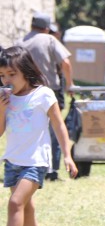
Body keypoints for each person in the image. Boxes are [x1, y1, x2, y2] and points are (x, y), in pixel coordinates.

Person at [0, 46, 78, 226]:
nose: (6, 80)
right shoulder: (5, 98)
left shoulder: (43, 94)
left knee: (16, 203)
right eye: (2, 75)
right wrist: (1, 109)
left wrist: (67, 156)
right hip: (13, 161)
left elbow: (59, 125)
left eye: (11, 74)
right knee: (26, 206)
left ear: (26, 70)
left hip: (35, 162)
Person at [17, 12, 74, 182]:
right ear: (47, 28)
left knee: (30, 131)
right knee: (54, 129)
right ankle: (52, 170)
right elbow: (66, 63)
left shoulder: (20, 42)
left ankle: (24, 167)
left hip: (25, 93)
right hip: (49, 91)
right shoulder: (49, 40)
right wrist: (70, 84)